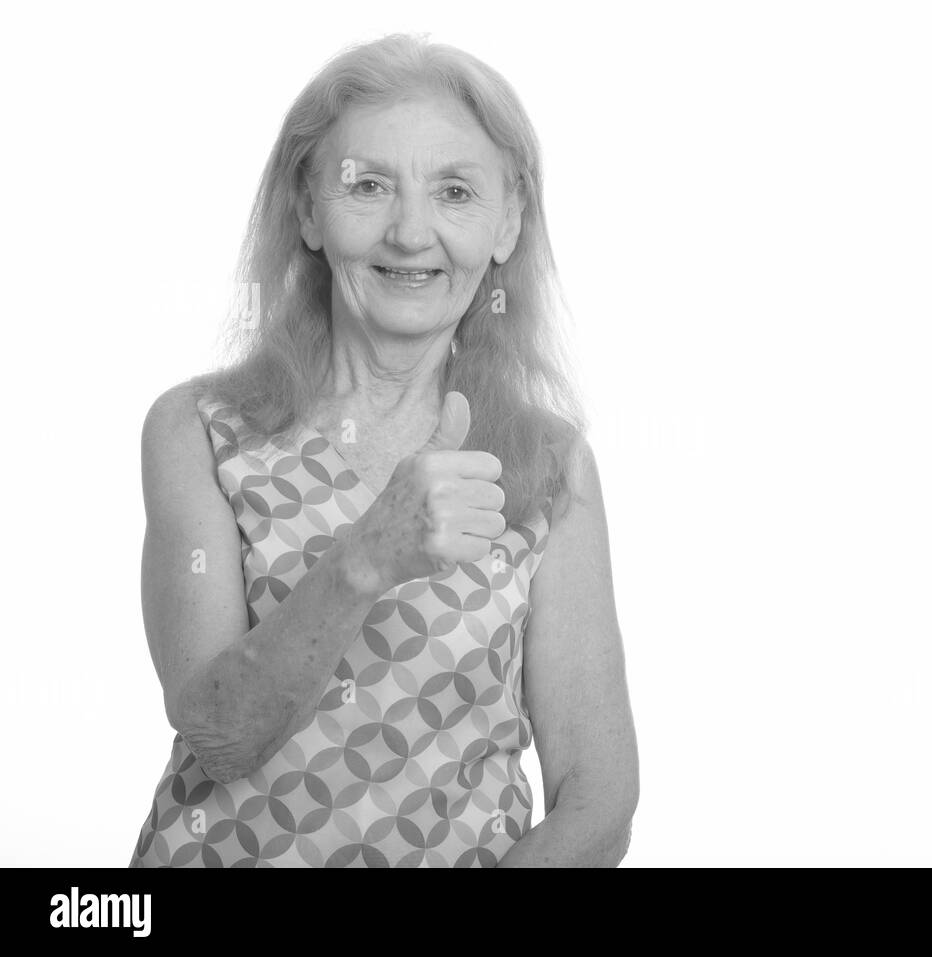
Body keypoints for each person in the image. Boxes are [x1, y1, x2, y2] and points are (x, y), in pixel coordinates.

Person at [127, 33, 638, 867]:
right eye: (367, 186)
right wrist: (367, 556)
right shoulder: (198, 430)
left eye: (455, 192)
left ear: (507, 222)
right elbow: (217, 733)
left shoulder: (552, 467)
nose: (410, 232)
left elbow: (599, 797)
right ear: (307, 210)